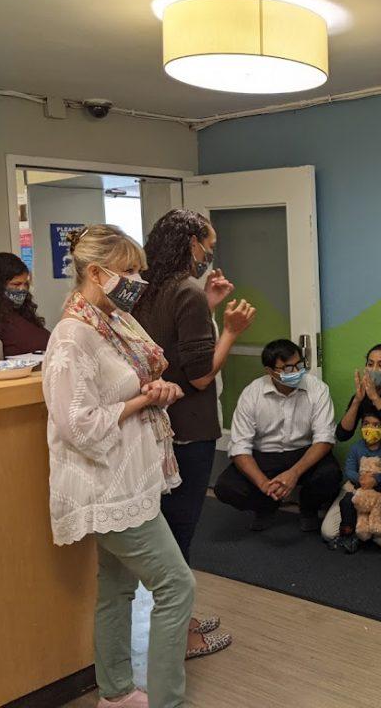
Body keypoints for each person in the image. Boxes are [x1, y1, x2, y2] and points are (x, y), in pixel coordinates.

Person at [43, 225, 229, 708]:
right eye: (127, 271)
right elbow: (76, 425)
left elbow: (137, 383)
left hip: (132, 477)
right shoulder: (71, 338)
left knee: (116, 587)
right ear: (95, 272)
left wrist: (154, 394)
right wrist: (139, 402)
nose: (137, 280)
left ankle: (116, 692)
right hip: (108, 487)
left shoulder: (114, 323)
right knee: (175, 586)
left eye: (138, 270)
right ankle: (167, 700)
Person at [135, 208, 255, 563]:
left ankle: (169, 611)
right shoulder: (186, 291)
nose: (210, 255)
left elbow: (171, 345)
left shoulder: (147, 287)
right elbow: (201, 375)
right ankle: (179, 616)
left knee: (163, 524)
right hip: (188, 425)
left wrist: (208, 306)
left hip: (154, 421)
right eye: (209, 246)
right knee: (181, 526)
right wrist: (232, 331)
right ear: (192, 243)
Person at [213, 339, 342, 532]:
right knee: (226, 487)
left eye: (299, 365)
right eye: (287, 368)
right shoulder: (252, 393)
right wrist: (263, 484)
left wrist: (294, 473)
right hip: (264, 455)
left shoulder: (317, 388)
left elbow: (325, 439)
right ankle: (265, 506)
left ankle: (308, 509)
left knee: (331, 475)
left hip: (303, 453)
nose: (296, 371)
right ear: (270, 371)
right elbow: (240, 447)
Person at [321, 411, 381, 552]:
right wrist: (360, 480)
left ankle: (373, 526)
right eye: (366, 424)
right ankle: (350, 532)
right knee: (345, 506)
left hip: (379, 491)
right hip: (359, 488)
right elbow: (349, 469)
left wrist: (376, 480)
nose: (370, 429)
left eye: (376, 425)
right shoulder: (356, 448)